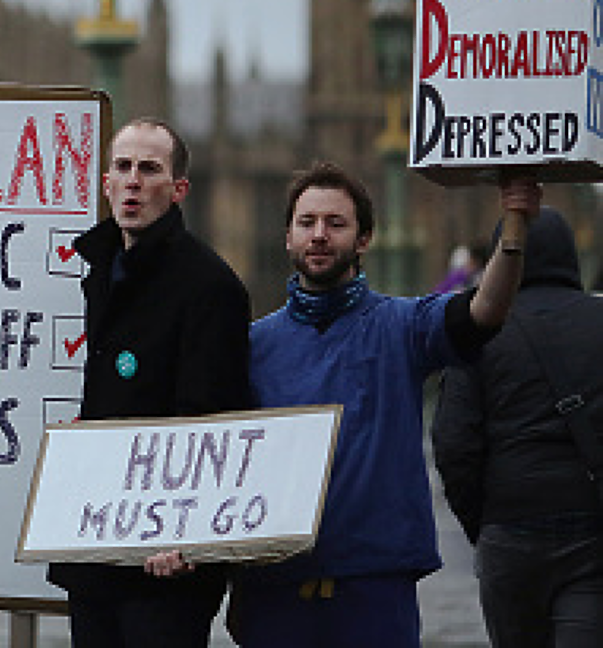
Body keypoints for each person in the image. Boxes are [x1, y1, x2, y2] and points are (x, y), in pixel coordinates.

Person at [232, 163, 534, 648]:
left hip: (373, 588)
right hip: (275, 592)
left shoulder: (403, 325)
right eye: (307, 223)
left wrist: (514, 224)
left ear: (364, 238)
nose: (319, 235)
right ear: (287, 236)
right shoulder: (252, 346)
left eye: (336, 223)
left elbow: (483, 311)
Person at [45, 117, 254, 648]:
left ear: (178, 189)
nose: (133, 180)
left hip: (165, 564)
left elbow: (213, 420)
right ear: (106, 183)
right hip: (96, 548)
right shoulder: (99, 271)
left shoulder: (210, 285)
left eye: (149, 169)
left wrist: (187, 536)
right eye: (122, 167)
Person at [433, 204, 603, 648]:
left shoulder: (480, 331)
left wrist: (485, 525)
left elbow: (454, 443)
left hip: (510, 535)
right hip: (591, 530)